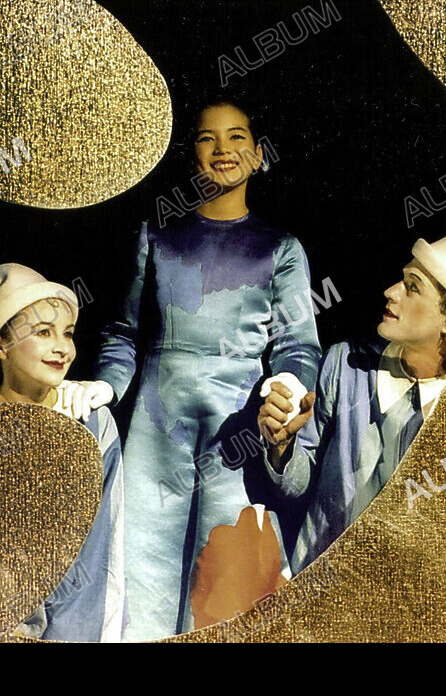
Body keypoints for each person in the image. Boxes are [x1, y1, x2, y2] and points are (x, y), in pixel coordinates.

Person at [73, 100, 321, 640]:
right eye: (208, 139)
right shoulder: (156, 237)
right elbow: (122, 333)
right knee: (142, 562)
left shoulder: (281, 249)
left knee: (225, 575)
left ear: (258, 154)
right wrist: (105, 385)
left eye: (237, 138)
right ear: (191, 156)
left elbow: (298, 344)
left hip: (237, 429)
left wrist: (287, 385)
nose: (223, 149)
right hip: (157, 427)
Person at [258, 228, 446, 574]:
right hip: (314, 593)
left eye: (413, 287)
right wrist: (282, 446)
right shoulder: (346, 365)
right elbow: (298, 486)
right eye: (403, 280)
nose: (391, 292)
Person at [0, 263, 125, 642]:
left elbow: (101, 555)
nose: (62, 347)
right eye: (43, 332)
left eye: (68, 333)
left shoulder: (92, 422)